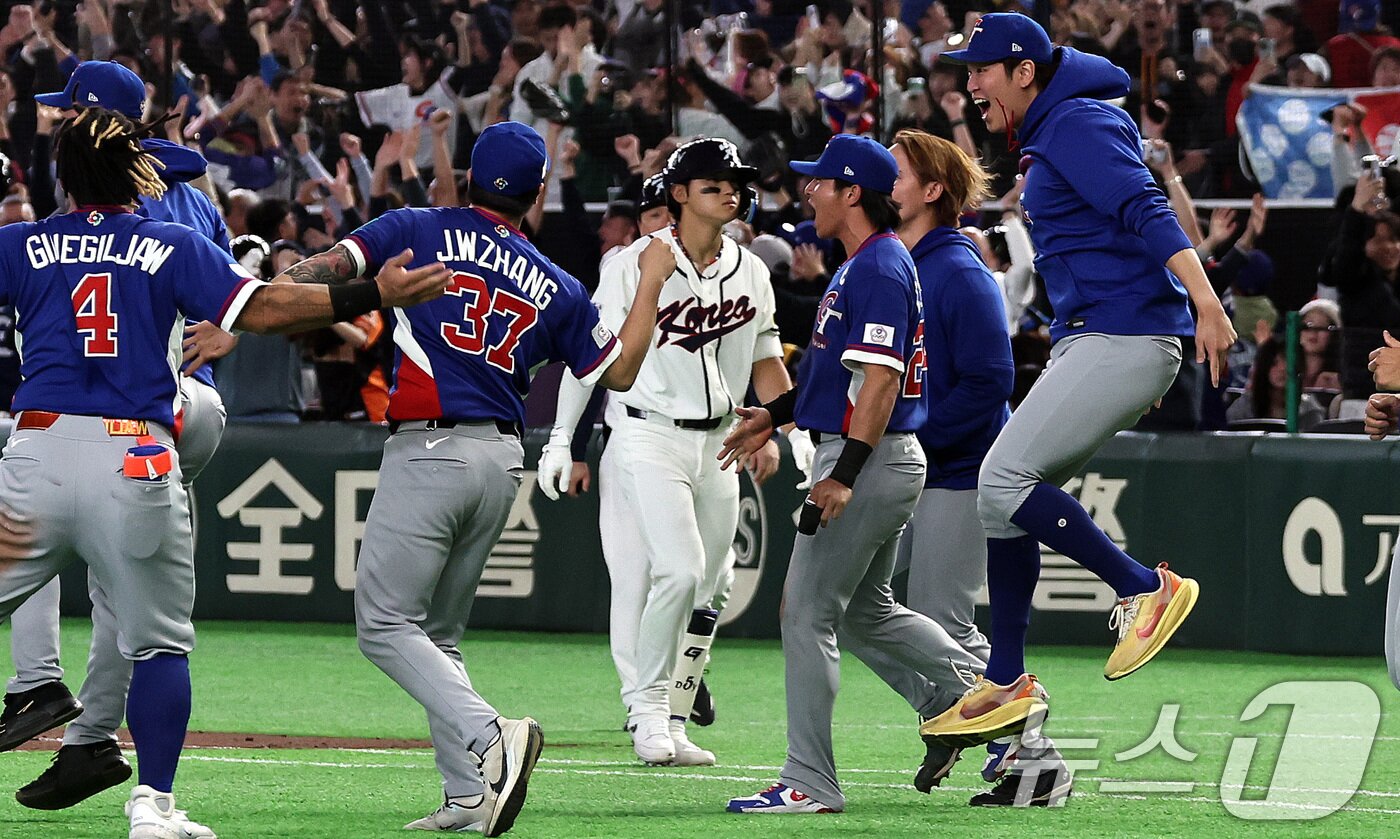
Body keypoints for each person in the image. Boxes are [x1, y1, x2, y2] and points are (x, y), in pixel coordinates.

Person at [0, 104, 446, 839]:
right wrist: (374, 293)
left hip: (37, 454)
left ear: (62, 176)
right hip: (133, 458)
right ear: (135, 171)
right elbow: (265, 307)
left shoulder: (20, 245)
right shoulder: (170, 241)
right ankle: (154, 806)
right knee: (159, 642)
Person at [282, 121, 670, 835]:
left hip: (431, 447)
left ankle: (493, 734)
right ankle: (467, 794)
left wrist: (308, 287)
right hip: (500, 457)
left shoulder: (416, 227)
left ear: (465, 177)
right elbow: (618, 371)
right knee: (440, 634)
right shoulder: (556, 281)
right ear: (539, 192)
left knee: (382, 624)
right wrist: (648, 282)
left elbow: (313, 275)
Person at [919, 13, 1236, 760]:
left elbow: (1145, 208)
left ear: (1024, 70)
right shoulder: (1059, 124)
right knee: (1005, 506)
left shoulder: (1075, 122)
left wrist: (1207, 301)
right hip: (1099, 336)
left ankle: (1142, 587)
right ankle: (1003, 678)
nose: (970, 85)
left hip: (1123, 332)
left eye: (981, 69)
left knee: (1001, 477)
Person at [719, 134, 992, 815]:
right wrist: (776, 414)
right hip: (882, 454)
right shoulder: (868, 261)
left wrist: (842, 473)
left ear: (850, 193)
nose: (807, 190)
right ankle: (959, 698)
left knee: (805, 610)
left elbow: (878, 381)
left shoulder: (876, 267)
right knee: (867, 611)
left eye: (820, 181)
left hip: (869, 455)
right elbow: (840, 374)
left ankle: (809, 778)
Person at [0, 60, 239, 815]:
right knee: (137, 595)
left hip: (91, 423)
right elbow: (250, 295)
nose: (54, 121)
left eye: (65, 112)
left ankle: (43, 685)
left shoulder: (56, 218)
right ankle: (114, 758)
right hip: (156, 429)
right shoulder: (177, 192)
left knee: (112, 579)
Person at [539, 137, 810, 767]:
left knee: (711, 585)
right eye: (713, 182)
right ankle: (647, 710)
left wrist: (787, 430)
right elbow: (592, 356)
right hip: (645, 431)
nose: (730, 191)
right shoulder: (632, 263)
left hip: (719, 440)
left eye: (736, 183)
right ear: (678, 193)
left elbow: (767, 355)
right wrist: (561, 438)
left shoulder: (751, 269)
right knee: (677, 572)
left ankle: (676, 718)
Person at [834, 127, 1071, 806]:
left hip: (958, 471)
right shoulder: (896, 260)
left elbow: (991, 380)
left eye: (898, 171)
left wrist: (908, 436)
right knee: (850, 605)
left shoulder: (958, 268)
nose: (886, 180)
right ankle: (950, 710)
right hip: (913, 468)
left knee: (943, 615)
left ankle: (1035, 753)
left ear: (933, 190)